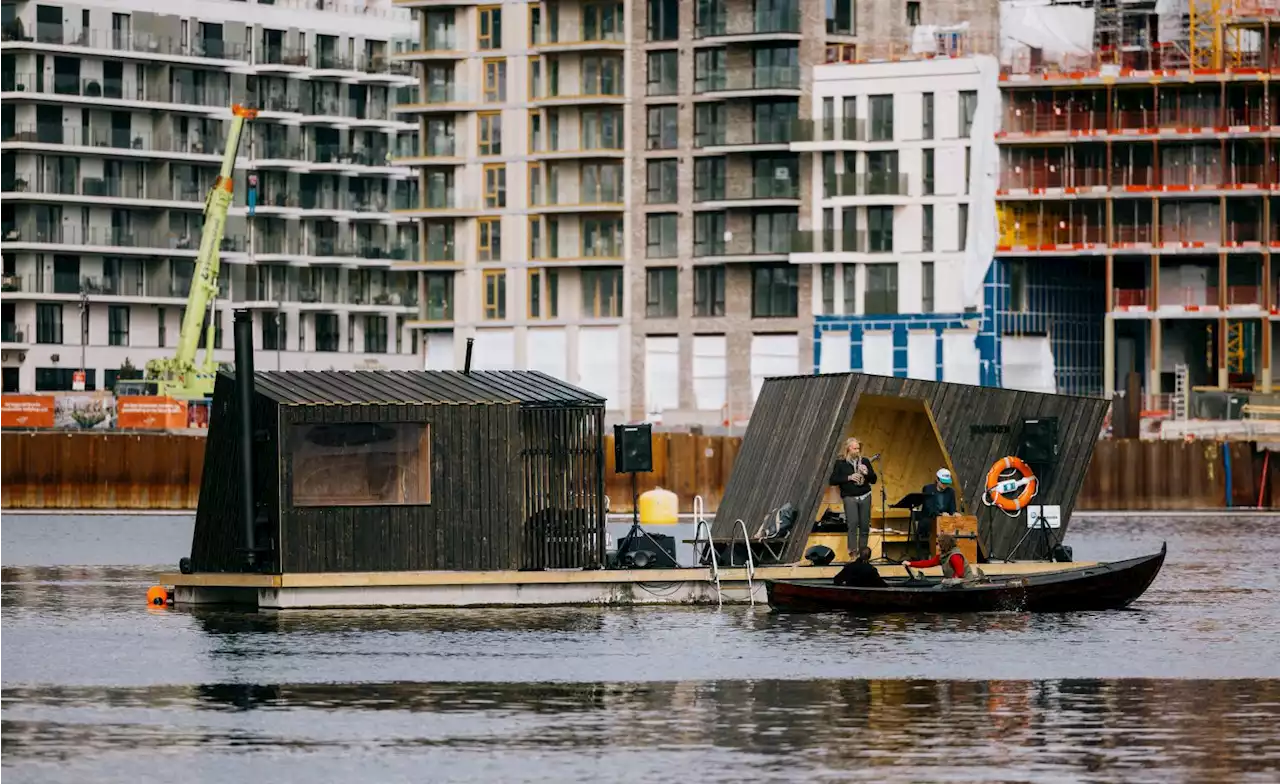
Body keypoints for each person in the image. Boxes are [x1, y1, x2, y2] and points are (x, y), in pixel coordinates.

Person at [830, 437, 877, 557]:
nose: (857, 451)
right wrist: (849, 478)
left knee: (865, 525)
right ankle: (852, 553)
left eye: (858, 448)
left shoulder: (865, 461)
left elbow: (874, 480)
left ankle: (863, 554)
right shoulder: (841, 463)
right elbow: (833, 480)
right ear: (848, 449)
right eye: (855, 448)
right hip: (850, 496)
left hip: (865, 495)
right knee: (853, 524)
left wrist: (867, 473)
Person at [902, 534, 978, 584]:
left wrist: (948, 581)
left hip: (965, 584)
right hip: (954, 584)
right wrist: (910, 564)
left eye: (938, 544)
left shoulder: (955, 556)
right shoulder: (942, 556)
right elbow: (928, 563)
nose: (937, 546)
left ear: (944, 545)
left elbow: (959, 574)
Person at [916, 467, 958, 549]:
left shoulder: (951, 492)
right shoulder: (928, 489)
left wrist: (954, 513)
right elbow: (929, 508)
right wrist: (941, 514)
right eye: (943, 482)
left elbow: (952, 508)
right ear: (937, 480)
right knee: (930, 524)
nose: (945, 485)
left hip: (945, 521)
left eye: (946, 483)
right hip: (930, 519)